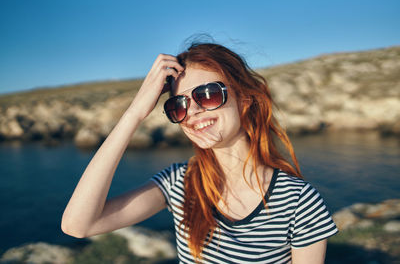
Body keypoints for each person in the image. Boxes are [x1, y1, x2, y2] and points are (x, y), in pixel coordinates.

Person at [62, 42, 338, 263]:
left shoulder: (299, 201)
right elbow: (78, 225)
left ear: (244, 100)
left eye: (207, 94)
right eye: (177, 106)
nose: (191, 111)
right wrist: (134, 113)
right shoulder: (179, 182)